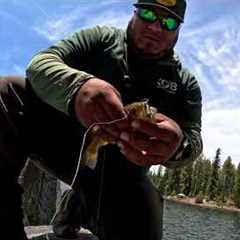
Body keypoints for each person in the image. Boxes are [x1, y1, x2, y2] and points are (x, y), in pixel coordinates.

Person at [0, 0, 202, 239]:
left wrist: (178, 147)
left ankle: (76, 204)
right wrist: (76, 88)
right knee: (7, 91)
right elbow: (40, 64)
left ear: (178, 30)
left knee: (145, 215)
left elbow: (194, 139)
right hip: (65, 150)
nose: (156, 27)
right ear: (134, 13)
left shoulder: (185, 84)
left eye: (168, 21)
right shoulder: (100, 39)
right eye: (148, 14)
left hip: (125, 179)